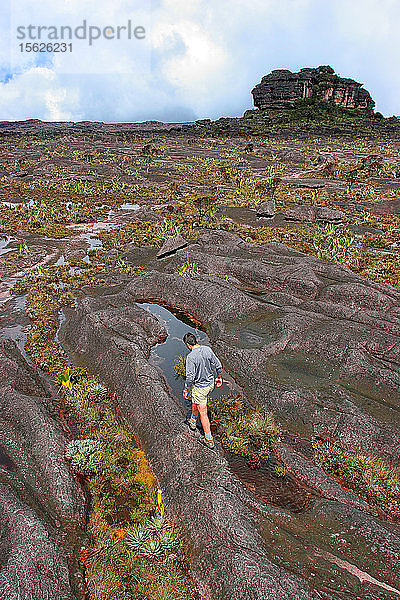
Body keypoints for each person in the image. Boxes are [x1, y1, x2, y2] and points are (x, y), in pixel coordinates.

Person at [182, 332, 223, 449]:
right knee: (196, 400)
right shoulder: (207, 349)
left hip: (200, 387)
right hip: (210, 385)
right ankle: (193, 421)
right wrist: (219, 377)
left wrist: (186, 389)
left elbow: (190, 377)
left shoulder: (191, 357)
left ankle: (209, 439)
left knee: (203, 413)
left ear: (188, 345)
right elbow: (218, 365)